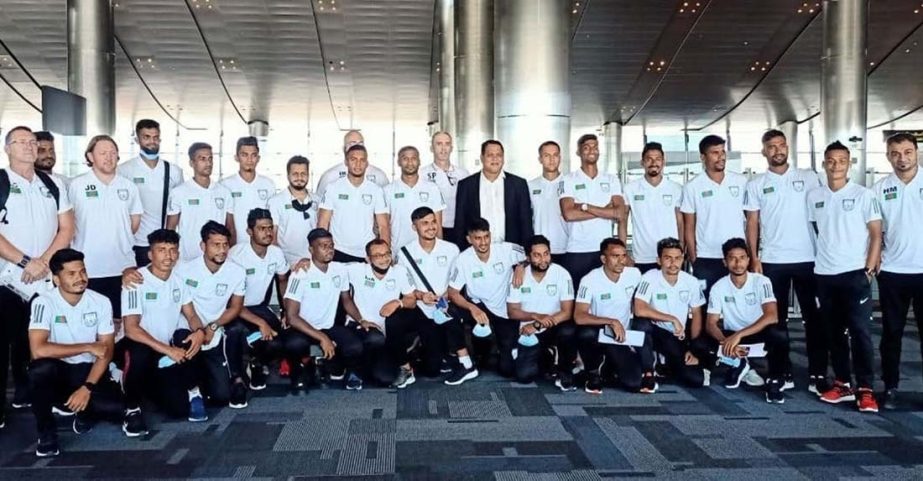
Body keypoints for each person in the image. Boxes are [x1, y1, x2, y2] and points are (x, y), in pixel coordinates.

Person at [0, 126, 74, 420]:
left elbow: (66, 228)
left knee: (36, 340)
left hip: (43, 279)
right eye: (21, 142)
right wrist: (24, 262)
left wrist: (43, 261)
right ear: (7, 148)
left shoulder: (52, 184)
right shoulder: (2, 181)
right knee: (4, 344)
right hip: (6, 279)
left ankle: (33, 395)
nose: (29, 147)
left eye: (33, 142)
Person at [744, 129, 824, 394]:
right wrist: (754, 258)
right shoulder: (756, 183)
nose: (777, 150)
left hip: (809, 260)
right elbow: (752, 223)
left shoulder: (809, 178)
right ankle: (780, 372)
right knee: (775, 321)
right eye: (771, 146)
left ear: (788, 147)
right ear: (764, 151)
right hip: (772, 261)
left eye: (781, 145)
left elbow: (823, 215)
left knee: (814, 321)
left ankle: (818, 374)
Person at [28, 249, 126, 457]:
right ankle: (46, 434)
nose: (80, 278)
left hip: (89, 372)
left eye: (82, 272)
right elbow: (38, 349)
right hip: (59, 372)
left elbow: (106, 351)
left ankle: (83, 409)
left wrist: (87, 387)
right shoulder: (43, 302)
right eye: (71, 274)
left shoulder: (101, 301)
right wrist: (87, 346)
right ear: (56, 279)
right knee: (39, 369)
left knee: (120, 410)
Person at [807, 141, 882, 412]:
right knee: (834, 333)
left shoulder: (863, 195)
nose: (836, 165)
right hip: (825, 275)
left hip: (854, 275)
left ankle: (866, 388)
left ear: (849, 163)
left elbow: (876, 233)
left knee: (861, 333)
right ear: (824, 163)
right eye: (831, 160)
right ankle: (842, 383)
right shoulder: (814, 196)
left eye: (841, 160)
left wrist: (869, 269)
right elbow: (818, 230)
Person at [119, 229, 209, 435]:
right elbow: (131, 328)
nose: (168, 256)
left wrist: (199, 332)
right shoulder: (135, 281)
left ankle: (192, 393)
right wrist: (168, 350)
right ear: (150, 254)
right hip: (143, 347)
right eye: (161, 250)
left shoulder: (178, 280)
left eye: (173, 250)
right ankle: (132, 409)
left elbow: (192, 315)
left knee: (178, 410)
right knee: (138, 352)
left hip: (166, 352)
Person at [696, 238, 787, 403]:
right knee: (699, 342)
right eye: (732, 258)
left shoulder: (761, 281)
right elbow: (711, 324)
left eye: (742, 258)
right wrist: (727, 342)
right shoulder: (719, 286)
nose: (738, 263)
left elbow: (772, 315)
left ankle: (774, 381)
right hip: (731, 336)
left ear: (748, 259)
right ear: (725, 262)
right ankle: (737, 362)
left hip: (756, 332)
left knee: (779, 334)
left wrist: (739, 336)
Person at [68, 135, 143, 330]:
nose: (109, 157)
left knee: (121, 324)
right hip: (88, 268)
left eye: (113, 153)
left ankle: (117, 361)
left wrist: (118, 237)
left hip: (123, 266)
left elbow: (134, 222)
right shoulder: (76, 185)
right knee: (90, 323)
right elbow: (68, 222)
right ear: (90, 156)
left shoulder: (128, 186)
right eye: (102, 153)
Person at [172, 222, 246, 408]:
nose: (222, 250)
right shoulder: (183, 269)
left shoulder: (237, 271)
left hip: (215, 332)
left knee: (221, 396)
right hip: (188, 329)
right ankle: (194, 391)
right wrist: (128, 272)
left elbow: (235, 307)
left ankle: (233, 378)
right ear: (203, 246)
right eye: (216, 245)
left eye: (225, 245)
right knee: (183, 341)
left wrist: (214, 326)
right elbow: (153, 269)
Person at [874, 132, 923, 410]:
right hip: (893, 272)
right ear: (888, 156)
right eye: (895, 153)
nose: (901, 158)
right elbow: (873, 230)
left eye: (907, 152)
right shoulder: (880, 189)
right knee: (891, 333)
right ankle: (890, 387)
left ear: (916, 152)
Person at [283, 228, 366, 391]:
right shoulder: (300, 273)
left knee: (355, 346)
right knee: (294, 344)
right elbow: (292, 317)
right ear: (311, 250)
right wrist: (322, 337)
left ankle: (342, 369)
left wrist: (361, 320)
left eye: (331, 245)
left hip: (328, 327)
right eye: (323, 246)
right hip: (303, 329)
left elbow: (346, 300)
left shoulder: (340, 269)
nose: (329, 249)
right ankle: (299, 368)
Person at [447, 218, 526, 383]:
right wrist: (472, 308)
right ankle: (467, 363)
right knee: (449, 312)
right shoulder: (462, 260)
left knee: (508, 370)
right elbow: (453, 293)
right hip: (479, 305)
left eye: (486, 237)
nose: (483, 242)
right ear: (469, 239)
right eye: (477, 238)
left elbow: (533, 254)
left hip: (504, 309)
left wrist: (521, 266)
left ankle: (498, 351)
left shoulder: (505, 249)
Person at [633, 237, 709, 392]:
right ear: (659, 260)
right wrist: (672, 319)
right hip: (655, 331)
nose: (673, 263)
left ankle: (665, 363)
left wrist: (692, 348)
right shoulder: (649, 277)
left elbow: (697, 314)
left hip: (675, 337)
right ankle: (648, 372)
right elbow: (639, 309)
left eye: (677, 258)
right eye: (668, 258)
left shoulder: (691, 282)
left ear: (682, 259)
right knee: (641, 324)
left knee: (696, 379)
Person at [227, 208, 289, 391]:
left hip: (259, 308)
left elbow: (283, 280)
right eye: (262, 228)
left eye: (270, 228)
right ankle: (241, 371)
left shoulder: (276, 253)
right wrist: (261, 323)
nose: (268, 232)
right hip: (235, 310)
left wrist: (285, 312)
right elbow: (232, 302)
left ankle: (257, 362)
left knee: (279, 340)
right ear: (249, 231)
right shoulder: (235, 255)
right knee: (241, 335)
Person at [395, 206, 460, 379]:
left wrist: (447, 295)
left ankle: (441, 350)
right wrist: (421, 295)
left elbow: (459, 281)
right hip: (421, 309)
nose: (431, 227)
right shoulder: (404, 253)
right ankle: (417, 348)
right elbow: (404, 287)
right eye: (424, 223)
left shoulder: (452, 249)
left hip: (445, 307)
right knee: (432, 370)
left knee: (434, 367)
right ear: (414, 227)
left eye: (433, 222)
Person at [342, 239, 417, 386]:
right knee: (373, 340)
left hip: (386, 332)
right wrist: (305, 261)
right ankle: (355, 369)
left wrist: (397, 302)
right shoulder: (355, 270)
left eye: (386, 254)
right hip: (362, 327)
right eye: (377, 255)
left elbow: (412, 300)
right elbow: (326, 265)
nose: (383, 259)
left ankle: (383, 366)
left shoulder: (400, 271)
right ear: (368, 259)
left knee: (385, 378)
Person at [681, 135, 748, 298]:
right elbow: (689, 225)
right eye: (715, 152)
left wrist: (750, 255)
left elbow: (751, 219)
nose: (721, 156)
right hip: (706, 257)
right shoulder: (693, 186)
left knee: (738, 301)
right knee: (705, 303)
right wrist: (694, 258)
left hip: (736, 256)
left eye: (723, 152)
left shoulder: (741, 181)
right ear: (703, 157)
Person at [573, 238, 643, 394]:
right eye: (615, 256)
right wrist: (611, 321)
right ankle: (592, 373)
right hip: (598, 335)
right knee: (585, 333)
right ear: (604, 259)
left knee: (634, 383)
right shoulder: (589, 280)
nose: (621, 261)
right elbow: (579, 316)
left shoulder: (634, 275)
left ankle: (608, 366)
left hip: (621, 338)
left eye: (623, 256)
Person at [506, 235, 576, 389]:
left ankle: (565, 369)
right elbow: (512, 311)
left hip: (553, 328)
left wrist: (538, 324)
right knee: (524, 377)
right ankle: (547, 356)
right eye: (537, 255)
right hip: (527, 332)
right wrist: (533, 317)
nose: (543, 259)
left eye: (546, 254)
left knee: (569, 330)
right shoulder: (519, 275)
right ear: (528, 257)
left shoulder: (562, 274)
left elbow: (567, 312)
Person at [560, 134, 625, 287]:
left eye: (595, 147)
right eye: (587, 147)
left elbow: (620, 213)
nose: (592, 151)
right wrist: (605, 210)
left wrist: (584, 207)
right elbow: (569, 214)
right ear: (578, 152)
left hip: (604, 251)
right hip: (577, 250)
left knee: (603, 297)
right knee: (578, 299)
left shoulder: (611, 179)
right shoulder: (568, 179)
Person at [118, 119, 185, 266]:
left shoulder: (173, 171)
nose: (151, 141)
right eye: (146, 137)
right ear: (137, 139)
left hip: (163, 243)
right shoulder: (124, 170)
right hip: (134, 243)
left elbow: (178, 208)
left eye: (155, 137)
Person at [317, 144, 390, 263]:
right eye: (353, 159)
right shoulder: (333, 188)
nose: (358, 164)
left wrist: (384, 254)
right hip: (337, 252)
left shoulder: (376, 190)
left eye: (362, 160)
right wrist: (321, 254)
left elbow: (383, 226)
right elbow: (322, 224)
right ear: (346, 162)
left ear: (367, 163)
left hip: (367, 254)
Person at [453, 140, 533, 248]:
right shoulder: (466, 185)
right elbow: (460, 223)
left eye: (499, 155)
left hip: (511, 252)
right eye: (490, 155)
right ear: (482, 158)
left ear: (503, 158)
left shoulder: (518, 184)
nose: (495, 159)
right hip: (476, 252)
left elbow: (526, 223)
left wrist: (526, 254)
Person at [619, 142, 683, 273]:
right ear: (642, 162)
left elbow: (680, 223)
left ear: (663, 162)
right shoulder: (630, 189)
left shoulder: (676, 188)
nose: (654, 163)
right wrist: (623, 253)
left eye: (658, 159)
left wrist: (681, 251)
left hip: (670, 257)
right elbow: (622, 221)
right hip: (642, 257)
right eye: (649, 159)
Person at [166, 142, 233, 262]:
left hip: (216, 259)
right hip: (187, 258)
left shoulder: (224, 192)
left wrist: (229, 254)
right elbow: (170, 229)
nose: (208, 163)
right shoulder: (179, 192)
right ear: (192, 163)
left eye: (210, 159)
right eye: (202, 159)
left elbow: (230, 227)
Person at [384, 145, 446, 250]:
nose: (410, 163)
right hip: (398, 251)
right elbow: (385, 226)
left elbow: (438, 224)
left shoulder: (432, 188)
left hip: (427, 250)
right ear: (398, 162)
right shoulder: (388, 190)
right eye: (405, 159)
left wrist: (439, 250)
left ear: (419, 161)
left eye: (413, 158)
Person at [222, 136, 276, 246]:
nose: (249, 160)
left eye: (253, 155)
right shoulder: (225, 185)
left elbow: (273, 220)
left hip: (261, 248)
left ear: (258, 158)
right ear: (236, 157)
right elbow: (224, 222)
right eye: (244, 155)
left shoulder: (268, 184)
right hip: (235, 248)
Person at [421, 131, 469, 245]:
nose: (443, 148)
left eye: (447, 144)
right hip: (433, 229)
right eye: (439, 144)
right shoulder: (422, 174)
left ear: (451, 148)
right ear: (432, 148)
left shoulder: (463, 173)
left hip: (459, 229)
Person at [268, 155, 317, 265]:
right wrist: (279, 262)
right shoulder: (276, 201)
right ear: (288, 176)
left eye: (303, 174)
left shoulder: (317, 200)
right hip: (286, 262)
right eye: (295, 174)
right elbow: (272, 236)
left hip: (313, 261)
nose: (299, 177)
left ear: (308, 175)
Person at [315, 130, 389, 199]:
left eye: (360, 143)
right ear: (344, 149)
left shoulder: (379, 175)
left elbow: (388, 203)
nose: (357, 146)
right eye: (352, 143)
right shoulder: (330, 176)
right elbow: (319, 205)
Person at [528, 141, 569, 265]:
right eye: (547, 155)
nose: (552, 160)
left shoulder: (570, 183)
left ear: (560, 158)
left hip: (566, 249)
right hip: (539, 252)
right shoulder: (530, 186)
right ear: (540, 159)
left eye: (555, 155)